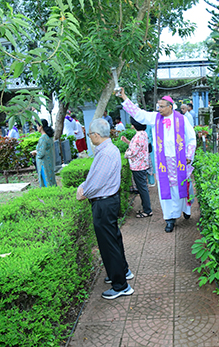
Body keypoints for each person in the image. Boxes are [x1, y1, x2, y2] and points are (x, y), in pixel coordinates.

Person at [118, 88, 196, 233]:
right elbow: (139, 114)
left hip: (179, 161)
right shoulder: (155, 118)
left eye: (161, 106)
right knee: (166, 189)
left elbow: (191, 138)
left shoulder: (182, 119)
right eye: (158, 106)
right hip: (163, 162)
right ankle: (169, 218)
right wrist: (124, 97)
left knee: (181, 187)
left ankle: (185, 209)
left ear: (170, 107)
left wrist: (189, 155)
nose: (158, 109)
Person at [76, 118, 134, 299]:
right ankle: (122, 271)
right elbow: (96, 176)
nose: (89, 137)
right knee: (113, 239)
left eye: (90, 135)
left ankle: (120, 286)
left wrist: (83, 191)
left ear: (96, 135)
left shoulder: (105, 153)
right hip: (109, 200)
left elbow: (97, 181)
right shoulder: (110, 149)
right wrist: (86, 186)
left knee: (108, 244)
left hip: (103, 202)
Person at [121, 117, 152, 218]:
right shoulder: (143, 134)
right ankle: (147, 208)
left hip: (138, 166)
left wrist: (126, 153)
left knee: (142, 188)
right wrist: (127, 141)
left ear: (134, 125)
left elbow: (133, 151)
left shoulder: (138, 135)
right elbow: (137, 147)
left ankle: (147, 210)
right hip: (142, 164)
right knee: (143, 188)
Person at [31, 119, 57, 188]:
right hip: (49, 161)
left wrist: (35, 152)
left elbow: (41, 153)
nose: (36, 127)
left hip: (43, 163)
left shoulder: (43, 138)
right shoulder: (49, 137)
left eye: (37, 126)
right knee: (50, 178)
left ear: (41, 126)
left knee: (46, 180)